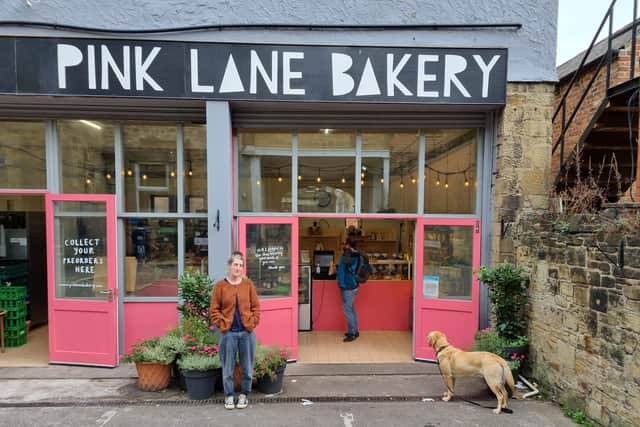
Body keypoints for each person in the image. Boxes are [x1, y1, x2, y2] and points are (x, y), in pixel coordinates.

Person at [210, 251, 260, 410]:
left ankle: (244, 394)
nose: (238, 268)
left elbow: (256, 307)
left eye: (241, 265)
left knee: (247, 367)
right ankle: (229, 396)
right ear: (230, 266)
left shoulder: (248, 284)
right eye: (235, 264)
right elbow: (214, 310)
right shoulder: (220, 286)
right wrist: (221, 323)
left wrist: (252, 322)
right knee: (228, 367)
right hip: (228, 334)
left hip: (246, 333)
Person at [337, 236, 360, 342]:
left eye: (345, 243)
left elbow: (341, 271)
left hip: (348, 286)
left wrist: (341, 284)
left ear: (347, 244)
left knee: (347, 310)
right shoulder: (357, 254)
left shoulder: (346, 255)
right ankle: (355, 330)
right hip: (355, 285)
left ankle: (352, 334)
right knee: (351, 309)